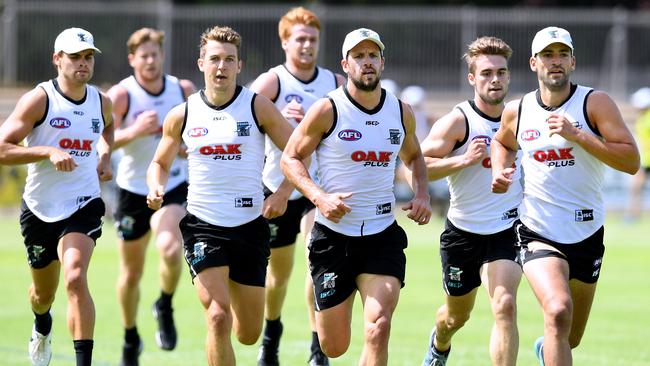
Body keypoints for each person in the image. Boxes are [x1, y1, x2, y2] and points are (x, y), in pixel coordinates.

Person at [281, 28, 432, 365]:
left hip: (381, 234)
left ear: (382, 62)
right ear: (345, 65)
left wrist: (421, 192)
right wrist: (319, 197)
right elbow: (290, 158)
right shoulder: (327, 109)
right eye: (359, 56)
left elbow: (413, 158)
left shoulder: (400, 111)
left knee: (378, 327)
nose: (367, 62)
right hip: (333, 238)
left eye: (372, 56)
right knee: (334, 346)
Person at [491, 26, 640, 366]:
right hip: (537, 230)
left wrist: (579, 135)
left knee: (570, 336)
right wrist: (500, 170)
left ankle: (549, 350)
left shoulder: (595, 103)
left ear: (573, 61)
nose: (554, 62)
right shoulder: (519, 110)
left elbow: (631, 162)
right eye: (547, 55)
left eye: (561, 54)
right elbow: (502, 142)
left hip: (587, 232)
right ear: (533, 63)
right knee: (557, 310)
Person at [146, 25, 294, 366]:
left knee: (247, 333)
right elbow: (160, 162)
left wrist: (283, 192)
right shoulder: (183, 114)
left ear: (239, 66)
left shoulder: (258, 107)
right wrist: (157, 185)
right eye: (214, 59)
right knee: (217, 316)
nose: (221, 67)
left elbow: (298, 153)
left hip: (250, 226)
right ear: (201, 63)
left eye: (229, 60)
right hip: (202, 225)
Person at [0, 27, 113, 366]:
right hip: (39, 208)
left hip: (84, 202)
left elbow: (108, 127)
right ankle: (42, 324)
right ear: (57, 60)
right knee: (42, 295)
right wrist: (48, 150)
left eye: (88, 57)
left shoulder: (101, 100)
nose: (83, 63)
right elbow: (3, 148)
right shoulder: (40, 99)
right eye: (75, 57)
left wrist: (104, 155)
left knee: (76, 276)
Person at [409, 36, 523, 366]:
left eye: (501, 72)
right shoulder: (458, 121)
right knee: (456, 317)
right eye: (486, 73)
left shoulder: (521, 118)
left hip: (507, 228)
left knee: (505, 305)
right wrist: (462, 161)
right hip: (463, 233)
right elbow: (416, 166)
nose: (495, 80)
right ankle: (439, 343)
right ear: (472, 78)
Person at [248, 7, 345, 366]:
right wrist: (276, 123)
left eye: (313, 39)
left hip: (316, 190)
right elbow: (246, 128)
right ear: (285, 41)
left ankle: (318, 347)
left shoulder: (335, 83)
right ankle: (271, 335)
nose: (307, 45)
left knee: (313, 259)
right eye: (300, 38)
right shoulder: (271, 83)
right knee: (278, 274)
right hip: (276, 188)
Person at [107, 27, 196, 366]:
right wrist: (134, 131)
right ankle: (131, 337)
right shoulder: (122, 95)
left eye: (154, 54)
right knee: (131, 273)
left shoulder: (181, 90)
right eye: (142, 55)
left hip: (172, 185)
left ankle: (165, 303)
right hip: (132, 190)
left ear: (162, 55)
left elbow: (197, 136)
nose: (149, 60)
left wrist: (187, 150)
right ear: (133, 59)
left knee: (171, 250)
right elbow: (103, 142)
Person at [625, 87, 650, 221]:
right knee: (636, 188)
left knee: (636, 188)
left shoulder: (647, 118)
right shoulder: (643, 118)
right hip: (646, 159)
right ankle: (633, 214)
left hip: (647, 160)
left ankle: (633, 215)